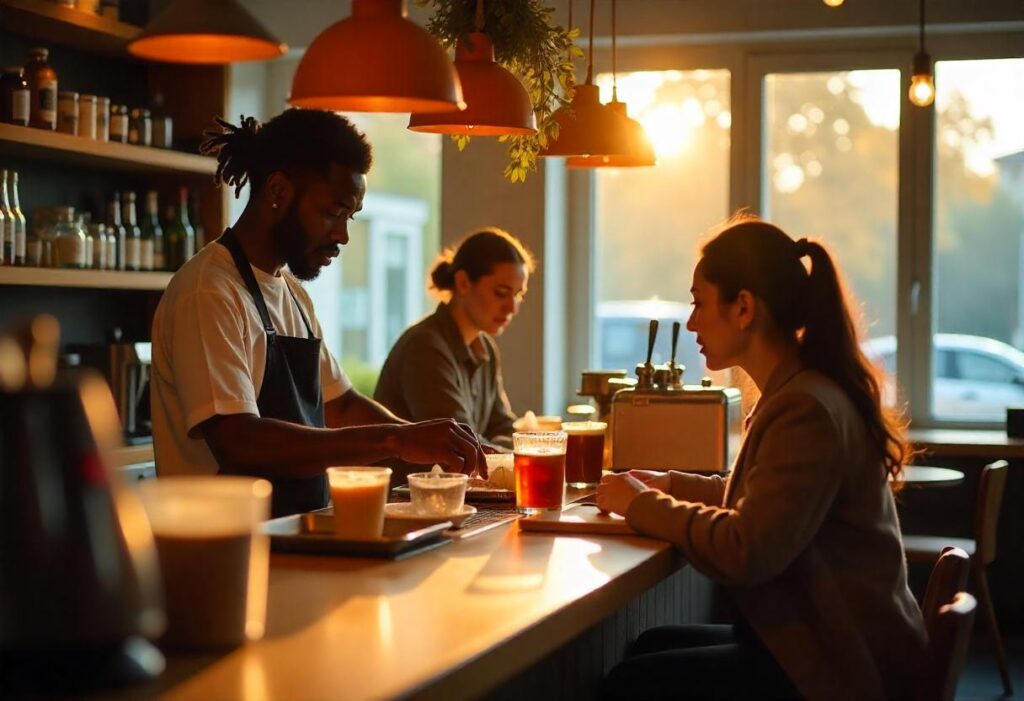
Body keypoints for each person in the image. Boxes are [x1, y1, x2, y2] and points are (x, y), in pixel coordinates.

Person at [597, 216, 926, 700]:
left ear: (744, 307)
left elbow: (746, 549)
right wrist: (669, 484)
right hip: (824, 639)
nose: (691, 322)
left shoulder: (806, 408)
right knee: (649, 645)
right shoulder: (799, 391)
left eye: (699, 303)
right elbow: (763, 500)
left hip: (841, 665)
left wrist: (641, 504)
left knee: (630, 683)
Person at [151, 109, 485, 519]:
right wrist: (395, 440)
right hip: (227, 552)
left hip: (298, 538)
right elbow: (240, 440)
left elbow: (341, 407)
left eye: (349, 217)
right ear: (277, 191)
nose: (342, 235)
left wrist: (428, 442)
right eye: (332, 212)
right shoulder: (208, 293)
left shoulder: (292, 293)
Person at [373, 228, 533, 450]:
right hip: (413, 484)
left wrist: (536, 447)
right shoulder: (424, 348)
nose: (512, 307)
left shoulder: (485, 347)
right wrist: (530, 455)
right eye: (501, 292)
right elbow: (460, 446)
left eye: (518, 295)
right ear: (463, 282)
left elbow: (501, 426)